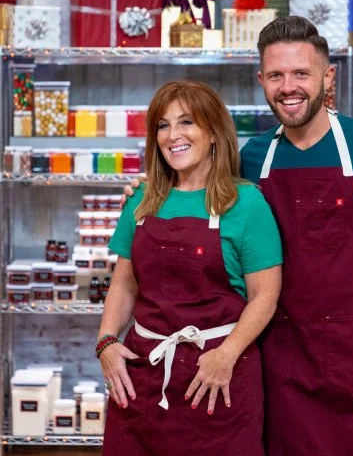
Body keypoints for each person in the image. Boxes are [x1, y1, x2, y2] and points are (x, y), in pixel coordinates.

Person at [125, 17, 353, 455]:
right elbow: (194, 194)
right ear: (261, 81)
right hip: (278, 368)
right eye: (276, 76)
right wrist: (146, 192)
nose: (289, 87)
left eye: (301, 74)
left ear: (328, 77)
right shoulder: (252, 156)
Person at [98, 81, 282, 455]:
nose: (173, 136)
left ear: (213, 132)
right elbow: (124, 283)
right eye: (163, 126)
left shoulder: (246, 203)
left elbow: (266, 296)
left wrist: (227, 354)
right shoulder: (142, 200)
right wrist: (106, 342)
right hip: (144, 378)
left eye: (186, 123)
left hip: (217, 378)